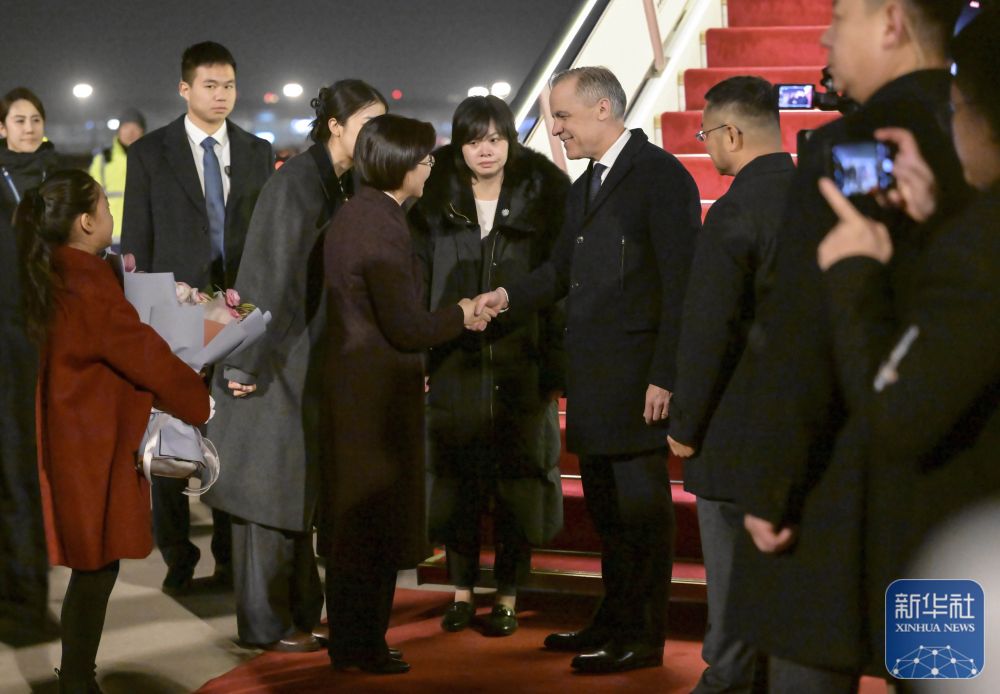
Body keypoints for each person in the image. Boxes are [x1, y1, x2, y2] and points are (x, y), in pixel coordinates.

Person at [725, 0, 970, 689]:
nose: (827, 38)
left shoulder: (850, 146)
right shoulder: (974, 135)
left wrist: (771, 487)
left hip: (837, 490)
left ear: (891, 22)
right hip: (957, 489)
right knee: (942, 669)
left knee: (810, 669)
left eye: (840, 17)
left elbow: (804, 333)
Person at [475, 66, 700, 673]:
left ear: (603, 109)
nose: (556, 128)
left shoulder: (661, 177)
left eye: (563, 116)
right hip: (596, 382)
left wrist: (667, 374)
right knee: (607, 513)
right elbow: (557, 272)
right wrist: (506, 297)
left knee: (640, 516)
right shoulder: (586, 185)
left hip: (639, 384)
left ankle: (642, 635)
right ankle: (614, 618)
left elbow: (682, 286)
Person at [816, 5, 1000, 670]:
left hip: (962, 544)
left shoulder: (978, 250)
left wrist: (854, 272)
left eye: (956, 108)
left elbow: (897, 413)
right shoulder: (971, 234)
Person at [202, 79, 387, 652]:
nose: (376, 136)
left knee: (289, 493)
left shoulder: (337, 182)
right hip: (271, 361)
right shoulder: (296, 185)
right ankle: (267, 626)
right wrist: (242, 365)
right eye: (368, 124)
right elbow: (265, 276)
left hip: (298, 358)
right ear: (336, 126)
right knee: (266, 496)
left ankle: (299, 616)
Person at [15, 169, 210, 693]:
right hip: (91, 442)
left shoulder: (55, 272)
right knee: (96, 565)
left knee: (93, 564)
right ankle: (78, 680)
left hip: (72, 432)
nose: (109, 214)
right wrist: (197, 399)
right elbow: (141, 352)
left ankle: (78, 676)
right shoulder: (86, 282)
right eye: (103, 205)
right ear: (86, 221)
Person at [321, 113, 496, 675]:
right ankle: (364, 645)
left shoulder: (360, 213)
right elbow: (406, 326)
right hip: (374, 399)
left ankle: (351, 643)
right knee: (373, 528)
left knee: (356, 529)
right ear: (401, 164)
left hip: (355, 390)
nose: (430, 167)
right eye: (424, 159)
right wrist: (461, 313)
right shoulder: (381, 225)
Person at [408, 95, 569, 636]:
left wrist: (555, 364)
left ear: (510, 141)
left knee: (517, 483)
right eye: (474, 141)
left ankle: (507, 594)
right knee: (456, 480)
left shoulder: (544, 194)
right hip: (453, 359)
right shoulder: (433, 197)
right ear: (459, 145)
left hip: (522, 360)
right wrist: (424, 348)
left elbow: (559, 284)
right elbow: (418, 281)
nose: (486, 151)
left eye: (496, 139)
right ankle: (460, 590)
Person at [122, 41, 273, 596]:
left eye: (229, 85)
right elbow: (136, 241)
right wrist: (146, 316)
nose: (221, 95)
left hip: (236, 312)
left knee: (231, 433)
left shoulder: (256, 151)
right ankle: (178, 558)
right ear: (185, 89)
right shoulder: (150, 153)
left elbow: (264, 237)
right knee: (171, 438)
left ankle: (231, 560)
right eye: (210, 85)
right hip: (173, 314)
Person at [666, 76, 795, 693]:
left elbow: (708, 329)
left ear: (732, 134)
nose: (706, 144)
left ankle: (728, 681)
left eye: (706, 134)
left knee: (733, 575)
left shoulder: (734, 212)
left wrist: (685, 425)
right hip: (803, 425)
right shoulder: (819, 197)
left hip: (735, 431)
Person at [0, 86, 60, 629]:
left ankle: (26, 599)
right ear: (2, 128)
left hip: (41, 333)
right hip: (7, 332)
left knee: (24, 466)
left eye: (35, 118)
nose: (28, 127)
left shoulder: (59, 180)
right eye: (18, 119)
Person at [88, 108, 146, 252]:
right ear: (118, 131)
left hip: (142, 237)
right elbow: (90, 197)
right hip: (109, 238)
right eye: (126, 127)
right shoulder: (102, 160)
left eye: (135, 127)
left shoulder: (152, 160)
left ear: (143, 131)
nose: (130, 132)